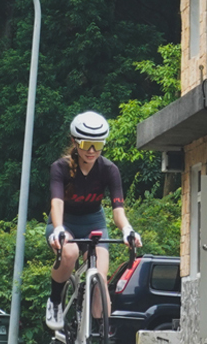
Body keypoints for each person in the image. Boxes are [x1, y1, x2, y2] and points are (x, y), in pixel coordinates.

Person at [45, 111, 143, 331]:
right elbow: (57, 202)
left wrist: (127, 229)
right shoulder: (60, 168)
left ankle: (99, 330)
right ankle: (55, 300)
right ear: (75, 141)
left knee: (100, 278)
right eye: (87, 144)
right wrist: (58, 228)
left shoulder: (109, 170)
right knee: (69, 253)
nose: (92, 151)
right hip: (65, 220)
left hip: (93, 222)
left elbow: (118, 210)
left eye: (98, 145)